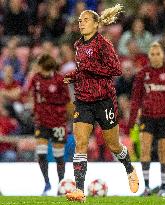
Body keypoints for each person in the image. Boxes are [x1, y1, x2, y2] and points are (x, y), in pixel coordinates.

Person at [63, 4, 139, 202]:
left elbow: (116, 69)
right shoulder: (78, 45)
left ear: (96, 24)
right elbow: (83, 71)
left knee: (114, 145)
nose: (81, 23)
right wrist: (73, 75)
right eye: (79, 20)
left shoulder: (104, 44)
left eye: (86, 19)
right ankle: (80, 190)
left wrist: (90, 67)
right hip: (83, 100)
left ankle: (130, 169)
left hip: (104, 101)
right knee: (81, 143)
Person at [128, 42, 165, 196]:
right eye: (153, 54)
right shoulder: (142, 74)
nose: (156, 57)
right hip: (147, 117)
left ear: (162, 55)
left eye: (158, 54)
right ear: (149, 56)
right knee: (145, 150)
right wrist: (131, 119)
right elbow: (136, 98)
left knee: (163, 151)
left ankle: (163, 189)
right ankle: (147, 187)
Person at [24, 54, 70, 195]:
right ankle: (47, 183)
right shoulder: (36, 78)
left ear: (46, 67)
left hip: (58, 122)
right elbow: (26, 92)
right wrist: (34, 107)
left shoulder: (60, 80)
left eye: (40, 66)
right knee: (41, 153)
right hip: (41, 122)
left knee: (58, 156)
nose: (37, 69)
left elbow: (67, 101)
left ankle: (61, 185)